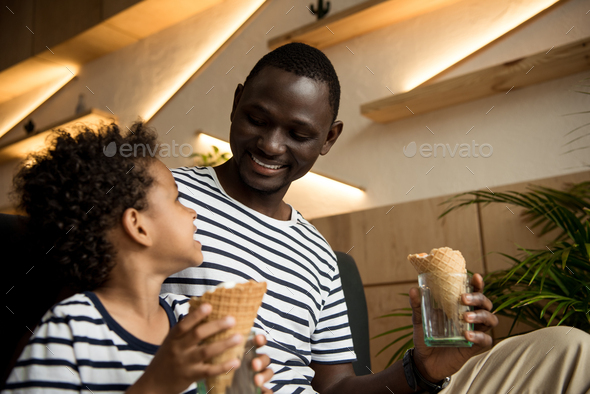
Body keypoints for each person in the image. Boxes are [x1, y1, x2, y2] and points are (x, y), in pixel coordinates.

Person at [162, 42, 590, 393]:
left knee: (568, 350)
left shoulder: (318, 255)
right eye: (258, 120)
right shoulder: (160, 197)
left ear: (329, 138)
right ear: (237, 104)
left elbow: (336, 389)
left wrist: (422, 370)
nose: (272, 145)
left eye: (298, 134)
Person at [4, 124, 273, 393]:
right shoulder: (69, 329)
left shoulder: (191, 322)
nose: (192, 212)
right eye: (177, 199)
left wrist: (238, 387)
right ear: (138, 225)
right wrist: (157, 383)